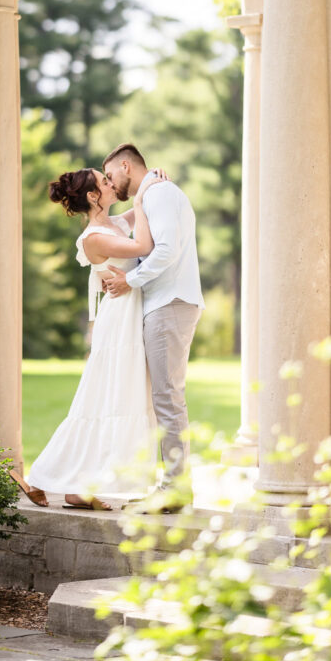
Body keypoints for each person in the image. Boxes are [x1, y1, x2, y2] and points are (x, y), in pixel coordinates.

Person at [9, 166, 163, 510]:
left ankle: (83, 489)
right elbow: (144, 244)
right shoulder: (94, 236)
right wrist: (142, 196)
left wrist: (150, 178)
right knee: (106, 400)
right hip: (119, 321)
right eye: (105, 182)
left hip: (129, 313)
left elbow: (141, 207)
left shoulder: (114, 223)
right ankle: (43, 478)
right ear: (93, 196)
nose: (112, 185)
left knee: (118, 399)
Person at [102, 144, 204, 512]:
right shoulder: (152, 196)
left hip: (170, 303)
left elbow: (165, 251)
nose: (111, 185)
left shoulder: (161, 194)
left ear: (126, 166)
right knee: (163, 396)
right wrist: (138, 201)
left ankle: (176, 489)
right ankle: (171, 485)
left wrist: (132, 281)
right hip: (164, 304)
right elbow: (112, 229)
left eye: (112, 177)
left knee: (167, 397)